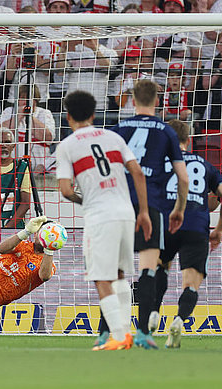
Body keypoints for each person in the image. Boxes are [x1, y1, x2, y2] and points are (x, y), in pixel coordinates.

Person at [56, 90, 152, 351]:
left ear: (67, 117)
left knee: (102, 278)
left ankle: (119, 337)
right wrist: (143, 211)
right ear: (94, 114)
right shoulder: (114, 137)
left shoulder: (67, 145)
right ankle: (126, 333)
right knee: (119, 275)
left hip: (100, 216)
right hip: (126, 213)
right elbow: (138, 174)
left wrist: (85, 200)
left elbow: (65, 190)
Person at [110, 79, 189, 349]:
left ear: (133, 100)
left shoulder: (118, 129)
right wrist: (178, 209)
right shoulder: (167, 131)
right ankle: (143, 333)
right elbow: (183, 178)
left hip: (118, 205)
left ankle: (109, 332)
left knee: (115, 270)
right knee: (148, 271)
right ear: (157, 101)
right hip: (150, 206)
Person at [148, 119, 222, 348]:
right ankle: (178, 320)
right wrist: (219, 230)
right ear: (189, 140)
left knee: (159, 266)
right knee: (191, 284)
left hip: (166, 223)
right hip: (196, 226)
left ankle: (154, 312)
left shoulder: (159, 163)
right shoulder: (205, 165)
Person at [0, 84, 55, 174]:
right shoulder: (9, 111)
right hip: (12, 167)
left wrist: (29, 116)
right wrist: (18, 116)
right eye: (22, 98)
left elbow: (48, 137)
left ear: (35, 100)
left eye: (29, 98)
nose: (25, 102)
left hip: (38, 169)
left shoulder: (44, 113)